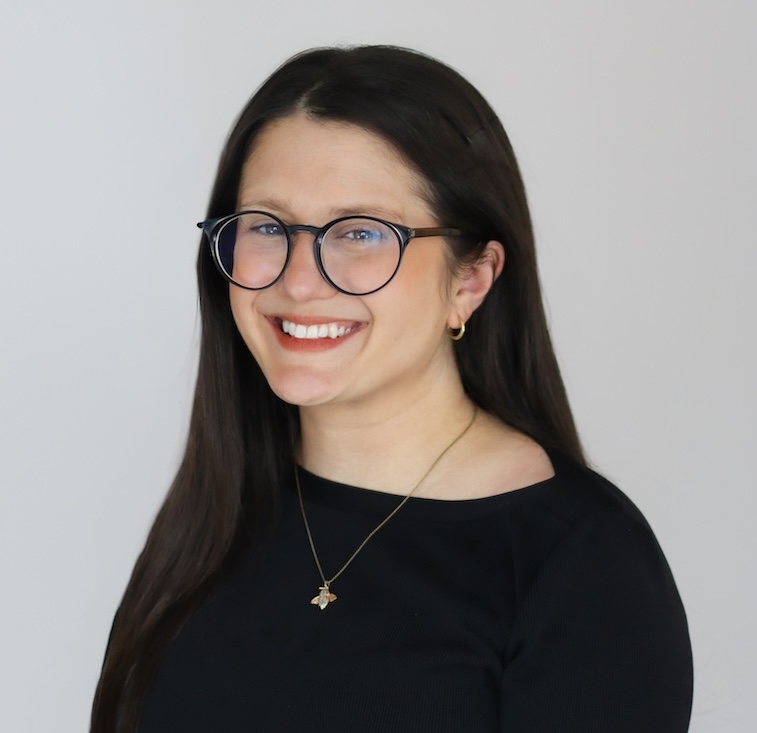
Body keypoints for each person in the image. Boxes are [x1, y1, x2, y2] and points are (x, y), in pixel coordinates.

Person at [90, 45, 693, 732]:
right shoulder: (210, 517)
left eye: (360, 232)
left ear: (470, 280)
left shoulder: (582, 563)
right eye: (266, 226)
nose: (298, 280)